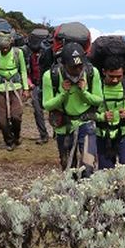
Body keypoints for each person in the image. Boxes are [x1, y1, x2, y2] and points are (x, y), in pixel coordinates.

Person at [42, 42, 103, 178]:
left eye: (80, 66)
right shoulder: (50, 76)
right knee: (68, 167)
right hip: (64, 126)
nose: (77, 70)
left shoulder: (92, 73)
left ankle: (88, 195)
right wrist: (63, 93)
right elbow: (47, 105)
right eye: (73, 67)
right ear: (63, 65)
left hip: (86, 122)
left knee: (89, 165)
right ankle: (71, 195)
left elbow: (99, 99)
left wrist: (84, 92)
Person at [0, 32, 29, 150]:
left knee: (16, 116)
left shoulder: (18, 53)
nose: (4, 49)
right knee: (2, 120)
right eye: (2, 47)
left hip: (15, 87)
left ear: (11, 43)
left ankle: (16, 135)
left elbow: (23, 71)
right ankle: (9, 141)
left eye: (6, 47)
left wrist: (26, 88)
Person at [95, 56, 125, 169]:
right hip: (103, 134)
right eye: (111, 76)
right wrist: (101, 117)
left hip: (124, 132)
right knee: (105, 172)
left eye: (119, 76)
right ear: (104, 72)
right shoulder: (96, 86)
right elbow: (89, 112)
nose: (115, 80)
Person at [27, 40, 50, 145]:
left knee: (54, 108)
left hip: (49, 85)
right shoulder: (29, 58)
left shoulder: (48, 57)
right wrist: (29, 84)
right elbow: (27, 72)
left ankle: (57, 132)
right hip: (36, 85)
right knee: (37, 110)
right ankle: (43, 135)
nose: (37, 54)